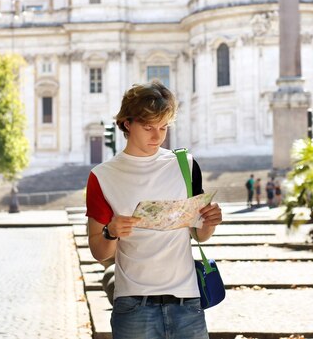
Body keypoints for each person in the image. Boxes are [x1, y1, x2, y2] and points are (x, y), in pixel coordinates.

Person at [85, 80, 222, 339]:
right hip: (134, 306)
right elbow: (98, 251)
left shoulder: (186, 164)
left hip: (187, 302)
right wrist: (110, 232)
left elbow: (198, 234)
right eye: (148, 127)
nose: (157, 136)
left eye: (163, 127)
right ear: (127, 123)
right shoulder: (102, 176)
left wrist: (210, 222)